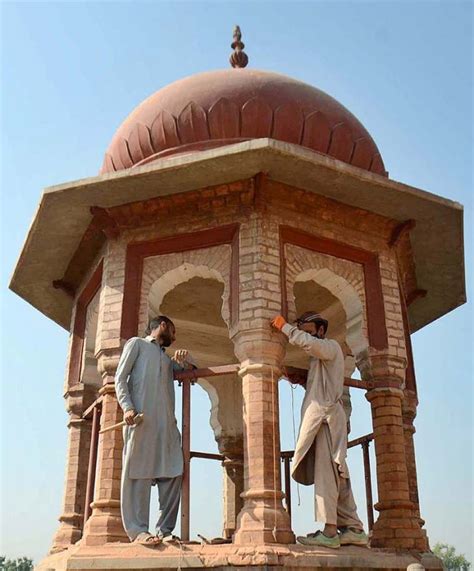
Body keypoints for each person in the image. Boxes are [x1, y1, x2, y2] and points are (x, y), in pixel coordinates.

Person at [271, 311, 367, 549]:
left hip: (325, 420)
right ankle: (353, 528)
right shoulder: (319, 360)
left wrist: (285, 327)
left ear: (321, 330)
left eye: (307, 327)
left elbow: (309, 344)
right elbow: (318, 380)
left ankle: (330, 531)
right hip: (325, 419)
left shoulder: (330, 346)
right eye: (300, 326)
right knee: (338, 473)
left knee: (327, 472)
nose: (303, 330)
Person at [115, 315, 196, 545]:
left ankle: (165, 531)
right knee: (137, 473)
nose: (174, 336)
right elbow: (120, 379)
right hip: (141, 422)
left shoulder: (165, 359)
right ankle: (138, 530)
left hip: (166, 426)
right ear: (162, 326)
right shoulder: (137, 345)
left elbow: (191, 370)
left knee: (173, 471)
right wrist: (128, 408)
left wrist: (186, 360)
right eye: (173, 330)